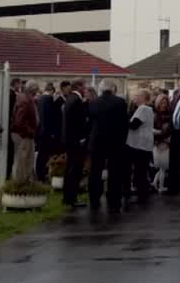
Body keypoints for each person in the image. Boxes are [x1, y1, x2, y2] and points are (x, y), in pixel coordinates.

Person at [88, 80, 128, 212]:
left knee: (95, 172)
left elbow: (90, 123)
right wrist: (122, 140)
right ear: (113, 89)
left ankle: (94, 200)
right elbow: (124, 124)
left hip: (97, 142)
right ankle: (114, 201)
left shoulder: (93, 102)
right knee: (115, 172)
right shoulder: (120, 102)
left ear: (101, 89)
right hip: (115, 142)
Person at [61, 78, 89, 207]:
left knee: (69, 168)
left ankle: (67, 196)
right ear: (78, 86)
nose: (85, 88)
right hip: (76, 141)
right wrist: (82, 138)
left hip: (69, 139)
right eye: (84, 86)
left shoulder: (70, 98)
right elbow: (79, 122)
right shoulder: (76, 100)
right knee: (75, 169)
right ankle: (71, 198)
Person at [126, 90, 155, 201]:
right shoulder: (146, 109)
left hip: (140, 144)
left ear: (143, 97)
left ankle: (142, 196)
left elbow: (134, 125)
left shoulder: (143, 108)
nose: (134, 97)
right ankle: (142, 194)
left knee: (140, 171)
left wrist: (122, 121)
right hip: (143, 144)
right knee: (141, 170)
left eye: (137, 96)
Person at [11, 81, 40, 182]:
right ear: (32, 89)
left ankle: (24, 181)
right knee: (22, 160)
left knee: (26, 159)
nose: (37, 92)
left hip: (25, 134)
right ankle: (20, 183)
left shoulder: (26, 98)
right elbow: (19, 121)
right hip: (23, 135)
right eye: (36, 89)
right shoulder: (25, 100)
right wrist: (29, 131)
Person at [34, 82, 61, 181]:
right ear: (51, 91)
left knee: (41, 154)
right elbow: (50, 116)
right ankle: (43, 174)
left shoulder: (40, 99)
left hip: (40, 131)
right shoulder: (49, 99)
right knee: (45, 155)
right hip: (47, 132)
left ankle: (39, 173)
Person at [151, 93, 171, 192]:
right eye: (162, 102)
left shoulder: (169, 114)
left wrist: (161, 133)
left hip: (165, 143)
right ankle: (160, 187)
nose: (164, 104)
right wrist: (161, 134)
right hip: (158, 143)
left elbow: (169, 129)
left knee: (163, 167)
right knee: (161, 167)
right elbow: (152, 130)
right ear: (158, 103)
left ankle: (156, 184)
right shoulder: (155, 115)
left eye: (165, 102)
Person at [6, 77, 21, 179]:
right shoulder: (12, 95)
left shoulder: (11, 94)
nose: (19, 86)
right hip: (11, 126)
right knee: (10, 153)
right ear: (15, 84)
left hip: (10, 126)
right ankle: (8, 173)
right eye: (19, 84)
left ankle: (9, 173)